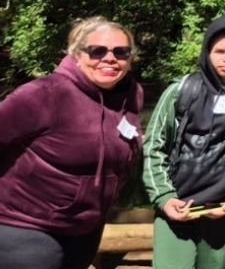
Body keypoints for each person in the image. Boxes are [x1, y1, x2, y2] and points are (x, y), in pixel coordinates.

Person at [0, 17, 144, 269]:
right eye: (97, 51)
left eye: (121, 52)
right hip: (25, 226)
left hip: (85, 230)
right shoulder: (44, 94)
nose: (110, 58)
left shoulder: (132, 96)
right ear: (77, 55)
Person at [143, 14, 225, 269]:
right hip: (177, 205)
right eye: (220, 51)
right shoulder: (180, 91)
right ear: (207, 51)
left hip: (224, 209)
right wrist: (164, 197)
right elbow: (154, 147)